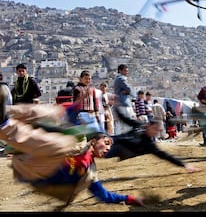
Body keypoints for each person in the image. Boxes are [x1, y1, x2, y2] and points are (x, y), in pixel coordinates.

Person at [0, 83, 145, 207]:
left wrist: (129, 198)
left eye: (109, 147)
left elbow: (105, 196)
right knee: (53, 113)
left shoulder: (90, 173)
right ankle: (6, 111)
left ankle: (4, 123)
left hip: (37, 173)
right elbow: (67, 118)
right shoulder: (79, 140)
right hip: (36, 157)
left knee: (60, 143)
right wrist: (77, 103)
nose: (108, 148)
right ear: (94, 141)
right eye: (106, 143)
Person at [105, 116, 201, 174]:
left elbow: (165, 156)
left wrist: (184, 164)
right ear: (149, 125)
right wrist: (117, 104)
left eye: (158, 131)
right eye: (155, 129)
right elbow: (125, 118)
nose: (156, 133)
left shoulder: (149, 145)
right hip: (111, 139)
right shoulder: (140, 126)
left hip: (114, 150)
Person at [113, 64, 136, 135]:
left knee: (120, 123)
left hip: (120, 102)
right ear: (120, 70)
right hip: (124, 103)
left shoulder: (117, 78)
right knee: (127, 122)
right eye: (125, 71)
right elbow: (130, 90)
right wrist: (128, 91)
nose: (126, 72)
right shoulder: (121, 78)